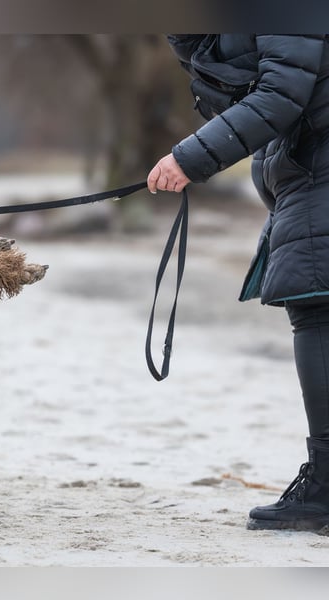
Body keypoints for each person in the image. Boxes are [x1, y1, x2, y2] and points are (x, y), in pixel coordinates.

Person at [147, 34, 329, 532]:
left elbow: (279, 94)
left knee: (316, 306)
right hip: (310, 167)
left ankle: (326, 487)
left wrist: (191, 157)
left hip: (320, 169)